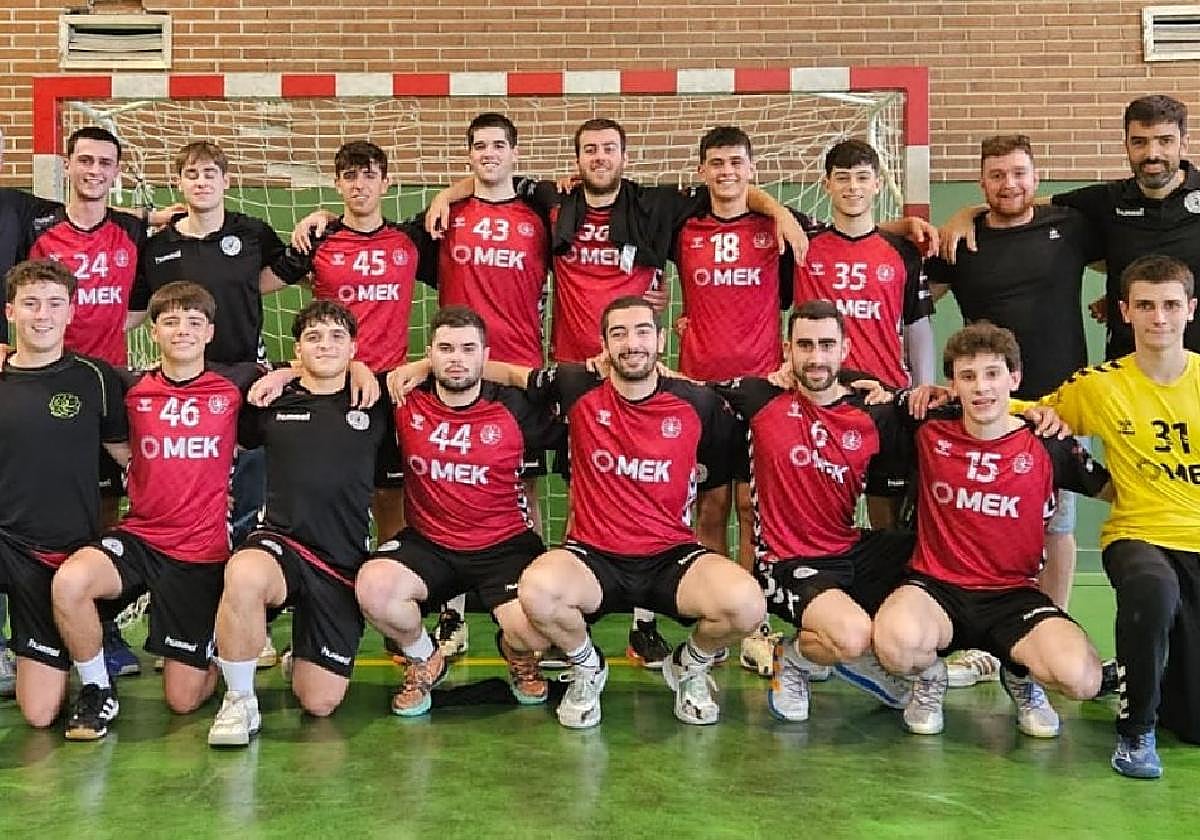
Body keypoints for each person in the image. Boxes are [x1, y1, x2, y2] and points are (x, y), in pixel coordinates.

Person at [425, 119, 804, 669]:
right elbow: (491, 177)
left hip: (642, 376)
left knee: (670, 498)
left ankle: (646, 624)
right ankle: (561, 622)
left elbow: (730, 187)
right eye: (589, 150)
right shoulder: (553, 201)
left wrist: (780, 212)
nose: (599, 158)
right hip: (576, 379)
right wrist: (445, 194)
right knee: (578, 495)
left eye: (608, 149)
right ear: (576, 160)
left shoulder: (656, 204)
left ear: (625, 157)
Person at [492, 295, 764, 727]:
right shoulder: (576, 386)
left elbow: (774, 397)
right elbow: (508, 373)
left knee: (747, 604)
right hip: (594, 557)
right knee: (537, 591)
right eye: (619, 334)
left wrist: (860, 385)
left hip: (671, 557)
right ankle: (587, 668)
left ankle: (689, 665)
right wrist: (422, 367)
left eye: (642, 332)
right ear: (604, 345)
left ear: (661, 340)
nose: (632, 343)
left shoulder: (698, 403)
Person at [925, 134, 1107, 685]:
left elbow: (1126, 258)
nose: (1010, 185)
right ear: (982, 182)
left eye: (1019, 173)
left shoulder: (1069, 226)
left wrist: (1115, 301)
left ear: (1036, 176)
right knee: (981, 519)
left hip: (1058, 406)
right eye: (997, 175)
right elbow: (912, 302)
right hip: (986, 406)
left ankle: (1050, 622)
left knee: (1058, 523)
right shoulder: (961, 241)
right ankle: (979, 642)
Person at [872, 322, 1108, 743]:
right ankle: (930, 678)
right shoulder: (928, 427)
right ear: (953, 385)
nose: (981, 388)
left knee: (1081, 679)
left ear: (1014, 379)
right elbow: (860, 404)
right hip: (937, 590)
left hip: (1013, 596)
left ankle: (1019, 676)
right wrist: (898, 391)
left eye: (992, 374)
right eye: (968, 376)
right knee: (894, 645)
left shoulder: (1047, 441)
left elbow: (1116, 491)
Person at [51, 282, 264, 740]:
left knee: (183, 701)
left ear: (209, 332)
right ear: (153, 332)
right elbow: (71, 381)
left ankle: (212, 644)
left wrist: (286, 376)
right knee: (70, 582)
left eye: (193, 322)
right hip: (141, 536)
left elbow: (300, 369)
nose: (182, 330)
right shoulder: (129, 386)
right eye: (170, 322)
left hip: (200, 549)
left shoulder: (237, 382)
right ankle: (96, 690)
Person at [1032, 254, 1200, 779]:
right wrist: (944, 395)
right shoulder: (1100, 385)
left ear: (1191, 309)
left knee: (1192, 723)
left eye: (1170, 305)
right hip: (1138, 533)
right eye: (1145, 306)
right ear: (1124, 311)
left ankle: (1132, 672)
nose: (1159, 318)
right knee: (1152, 588)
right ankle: (1135, 732)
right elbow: (1028, 414)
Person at [131, 140, 294, 668]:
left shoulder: (252, 233)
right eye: (191, 174)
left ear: (226, 180)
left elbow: (283, 274)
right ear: (178, 183)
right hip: (179, 389)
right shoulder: (158, 247)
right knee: (181, 509)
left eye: (210, 174)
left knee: (247, 505)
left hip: (241, 383)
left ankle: (248, 626)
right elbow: (135, 310)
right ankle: (181, 624)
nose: (201, 182)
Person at [714, 300, 916, 722]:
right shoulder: (759, 397)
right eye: (805, 345)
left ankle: (883, 651)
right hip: (784, 561)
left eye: (827, 345)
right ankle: (794, 658)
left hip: (846, 546)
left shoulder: (872, 408)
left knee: (933, 564)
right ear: (788, 349)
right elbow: (681, 387)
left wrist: (1037, 414)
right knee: (853, 637)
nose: (816, 357)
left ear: (845, 349)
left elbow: (947, 408)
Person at [357, 305, 561, 715]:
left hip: (505, 544)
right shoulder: (403, 398)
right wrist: (284, 374)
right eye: (446, 349)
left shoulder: (516, 407)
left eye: (468, 349)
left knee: (539, 627)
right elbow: (334, 377)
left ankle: (519, 652)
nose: (457, 359)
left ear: (486, 356)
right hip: (429, 543)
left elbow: (581, 393)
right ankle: (425, 658)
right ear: (429, 354)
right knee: (374, 588)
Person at [207, 299, 387, 747]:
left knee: (319, 702)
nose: (325, 345)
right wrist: (283, 375)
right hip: (281, 543)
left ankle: (300, 656)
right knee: (244, 573)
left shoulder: (377, 400)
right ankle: (240, 698)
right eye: (313, 337)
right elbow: (226, 427)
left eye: (336, 337)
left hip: (340, 562)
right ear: (297, 350)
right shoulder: (270, 399)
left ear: (354, 348)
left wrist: (361, 370)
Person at [942, 95, 1200, 361]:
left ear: (1184, 144)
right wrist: (969, 213)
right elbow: (1023, 202)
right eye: (1139, 142)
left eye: (1165, 141)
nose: (1152, 154)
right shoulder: (1106, 200)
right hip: (1128, 365)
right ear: (1126, 145)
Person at [272, 140, 438, 545]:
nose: (359, 185)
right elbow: (259, 283)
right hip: (330, 386)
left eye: (369, 175)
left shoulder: (409, 240)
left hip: (390, 387)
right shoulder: (318, 239)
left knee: (390, 496)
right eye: (349, 176)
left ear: (386, 183)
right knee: (329, 491)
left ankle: (386, 569)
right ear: (337, 184)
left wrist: (446, 196)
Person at [0, 259, 129, 727]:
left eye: (55, 304)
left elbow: (129, 457)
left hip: (62, 554)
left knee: (38, 714)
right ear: (10, 311)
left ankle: (93, 679)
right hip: (6, 542)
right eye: (31, 303)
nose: (43, 315)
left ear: (71, 311)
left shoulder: (95, 378)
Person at [794, 140, 934, 533]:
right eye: (842, 178)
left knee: (888, 517)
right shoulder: (802, 247)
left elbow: (917, 324)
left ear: (877, 184)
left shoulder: (902, 251)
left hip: (885, 397)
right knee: (818, 510)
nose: (852, 187)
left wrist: (922, 390)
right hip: (821, 395)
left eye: (862, 177)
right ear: (826, 185)